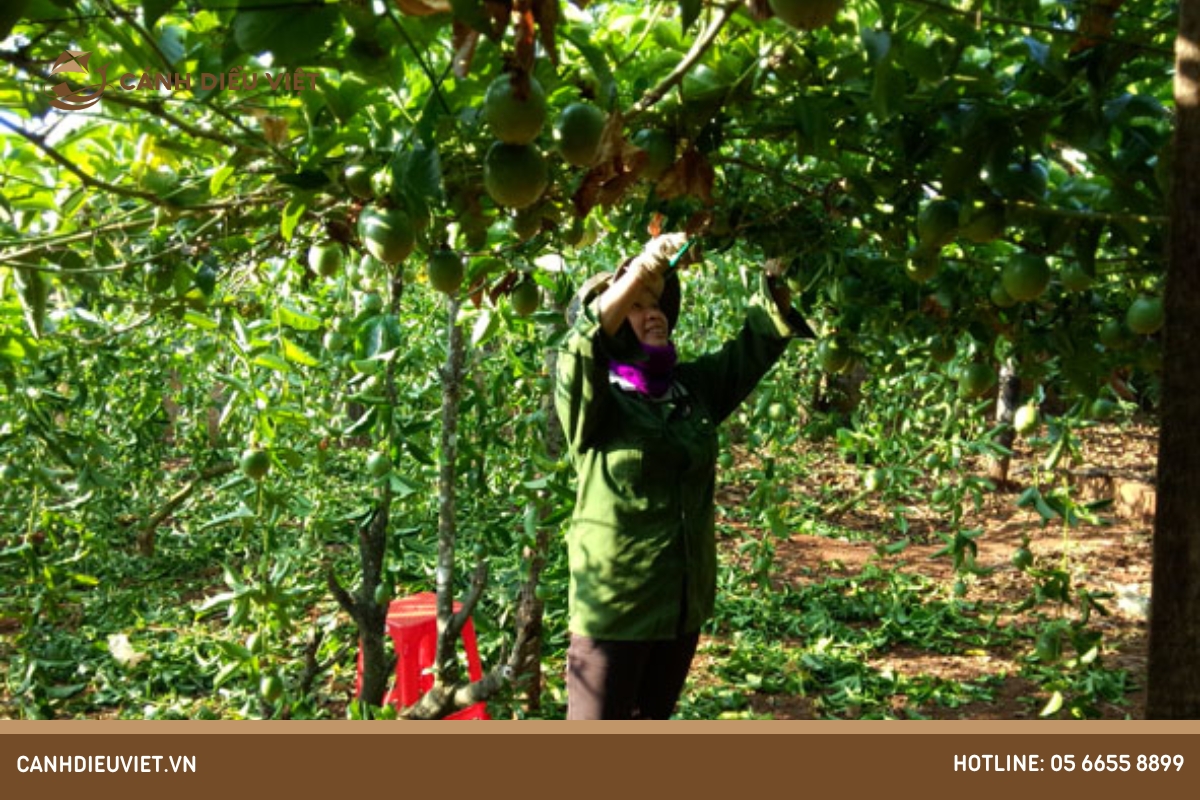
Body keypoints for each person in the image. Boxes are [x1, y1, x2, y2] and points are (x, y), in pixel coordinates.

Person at [554, 233, 814, 719]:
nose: (652, 312)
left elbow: (754, 344)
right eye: (636, 306)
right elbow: (576, 350)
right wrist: (640, 272)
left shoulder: (689, 390)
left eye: (657, 303)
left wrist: (777, 280)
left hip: (680, 605)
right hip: (616, 609)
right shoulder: (597, 403)